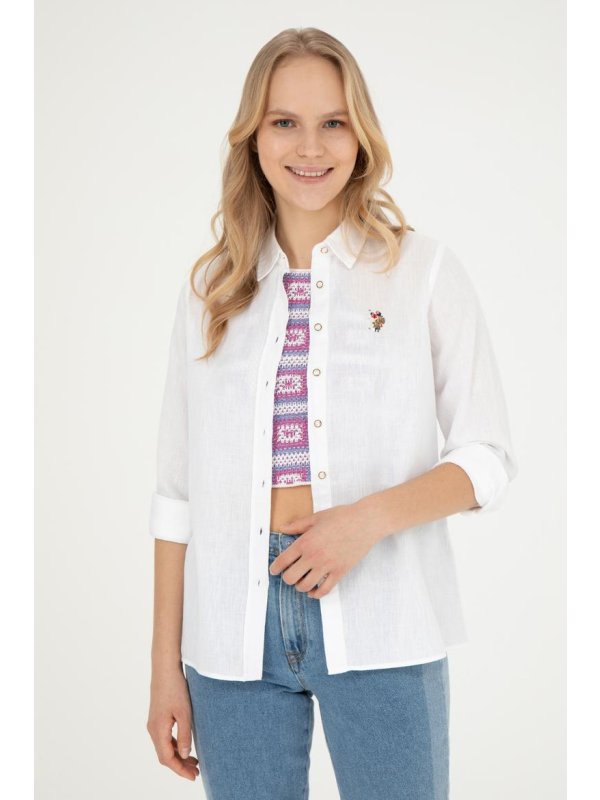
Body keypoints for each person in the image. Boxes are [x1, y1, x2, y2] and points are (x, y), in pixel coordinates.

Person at [146, 27, 519, 800]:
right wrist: (164, 670)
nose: (310, 146)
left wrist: (366, 521)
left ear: (361, 136)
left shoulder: (421, 272)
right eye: (284, 121)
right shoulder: (211, 290)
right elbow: (176, 497)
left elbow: (487, 456)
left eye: (333, 122)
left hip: (384, 622)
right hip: (230, 638)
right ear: (253, 137)